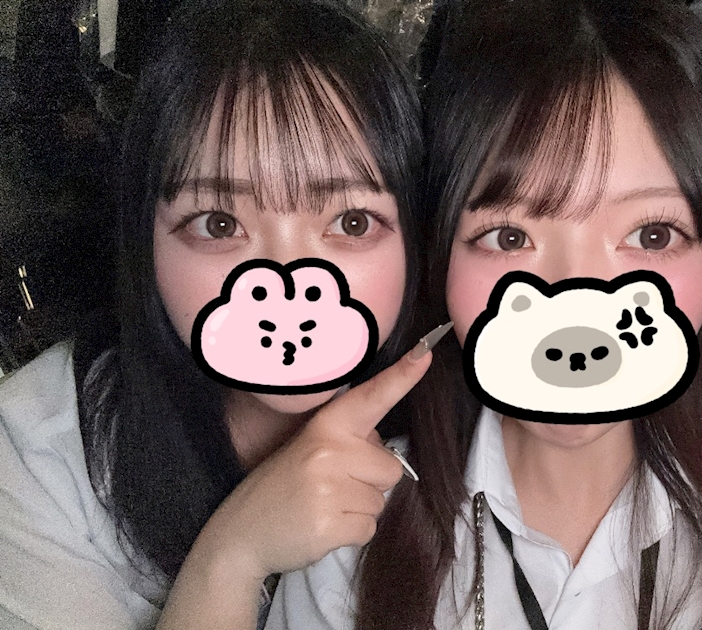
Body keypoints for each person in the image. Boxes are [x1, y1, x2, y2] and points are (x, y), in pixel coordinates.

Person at [270, 0, 702, 628]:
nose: (576, 301)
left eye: (652, 236)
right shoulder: (346, 528)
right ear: (438, 258)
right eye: (510, 238)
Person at [0, 0, 433, 628]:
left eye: (351, 222)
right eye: (220, 224)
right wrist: (232, 558)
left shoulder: (470, 437)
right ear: (145, 242)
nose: (287, 286)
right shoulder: (38, 457)